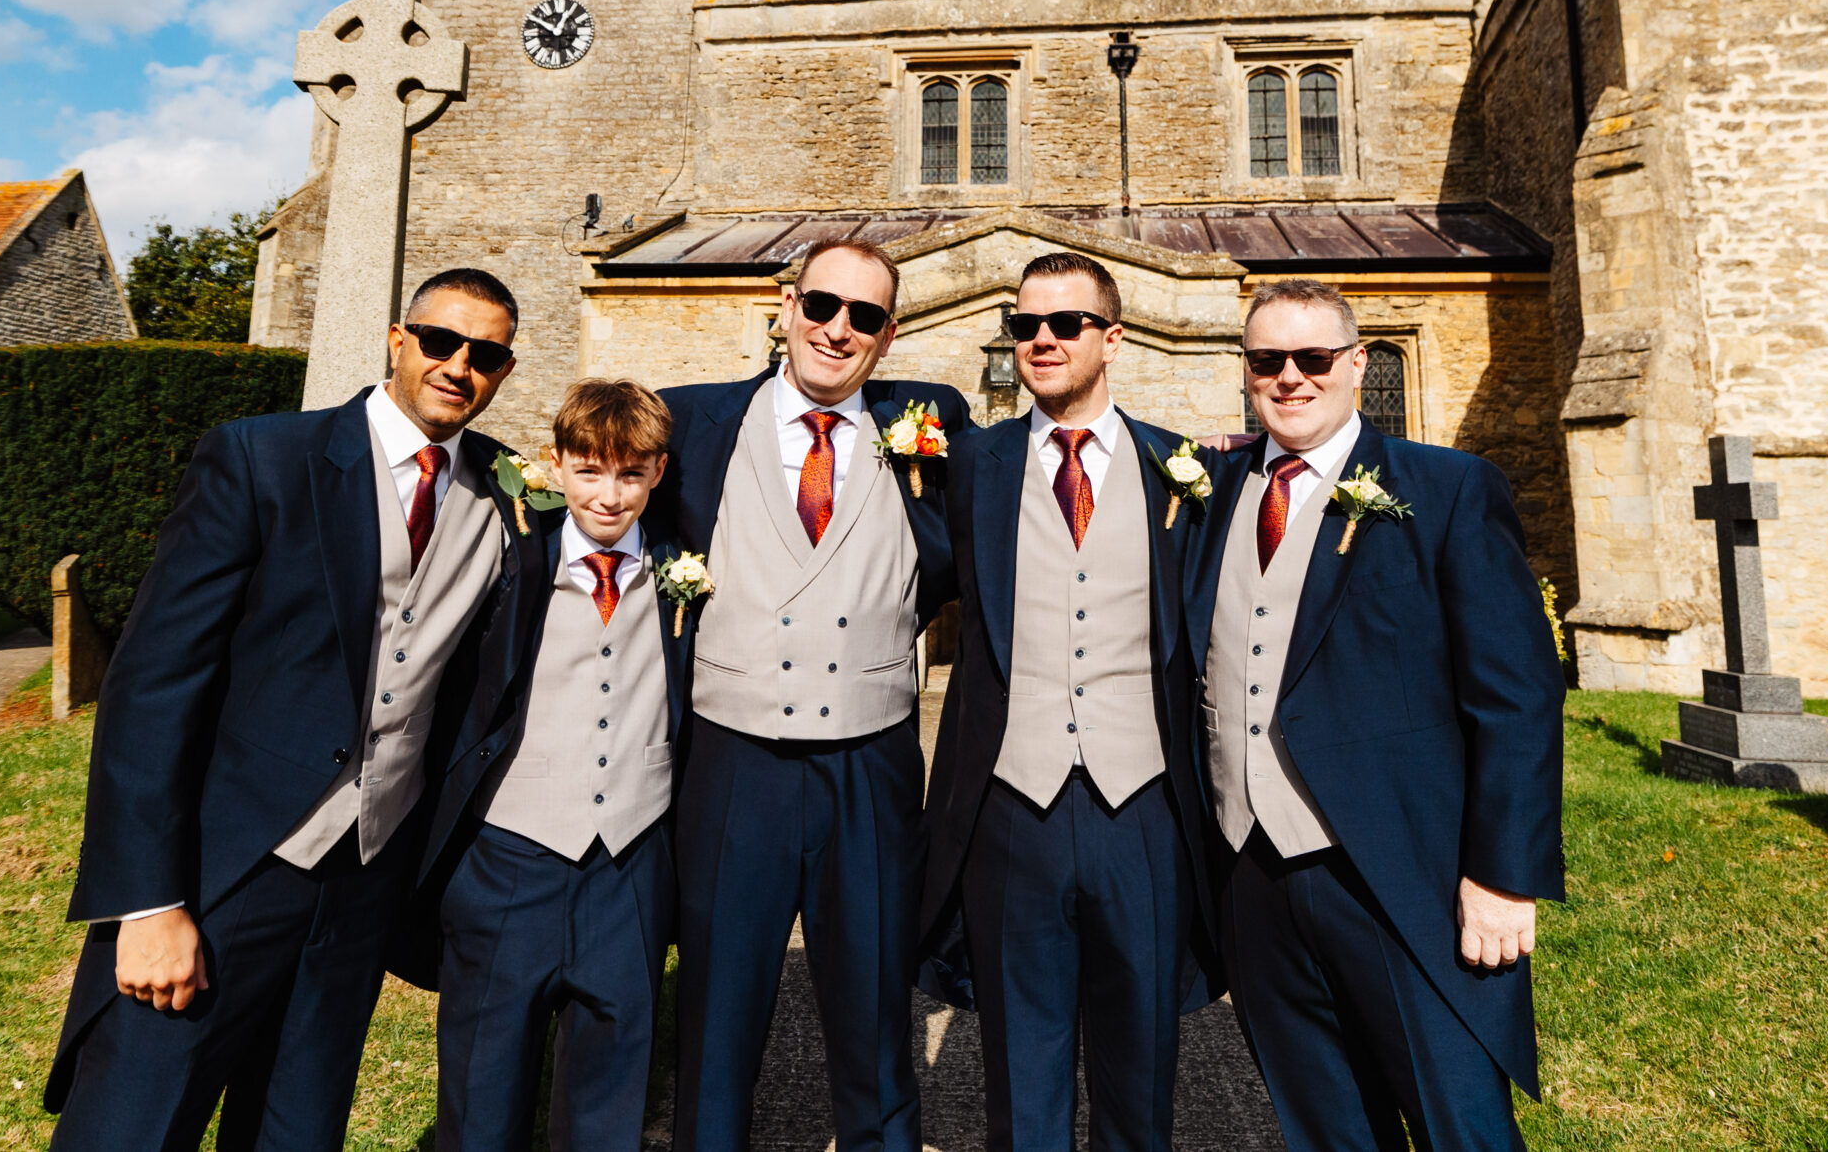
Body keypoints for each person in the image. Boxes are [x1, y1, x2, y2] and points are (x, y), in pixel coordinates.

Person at [43, 269, 529, 1152]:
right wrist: (148, 902)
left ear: (503, 370)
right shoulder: (263, 458)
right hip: (228, 870)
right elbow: (152, 685)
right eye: (440, 340)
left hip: (365, 879)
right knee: (134, 1125)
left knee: (296, 1131)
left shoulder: (503, 498)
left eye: (486, 354)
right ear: (396, 338)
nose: (460, 364)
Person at [1188, 278, 1563, 1152]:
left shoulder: (1448, 489)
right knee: (1326, 1128)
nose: (1290, 377)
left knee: (1458, 1127)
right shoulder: (1209, 493)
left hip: (1404, 878)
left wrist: (1503, 875)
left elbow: (1517, 694)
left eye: (1313, 357)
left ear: (1357, 364)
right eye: (1267, 360)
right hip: (1254, 877)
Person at [651, 234, 969, 1152]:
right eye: (822, 306)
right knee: (718, 1015)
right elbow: (592, 493)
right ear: (786, 306)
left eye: (863, 316)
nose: (837, 330)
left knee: (873, 1016)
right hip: (730, 763)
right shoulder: (691, 423)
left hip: (870, 767)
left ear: (888, 334)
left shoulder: (931, 424)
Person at [920, 250, 1216, 1152]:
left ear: (1113, 337)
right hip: (1015, 804)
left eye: (1064, 324)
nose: (1040, 340)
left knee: (1141, 1068)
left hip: (1145, 807)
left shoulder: (1182, 468)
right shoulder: (972, 463)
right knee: (1022, 1068)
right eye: (1023, 325)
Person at [400, 378, 687, 1152]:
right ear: (555, 466)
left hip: (630, 862)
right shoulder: (508, 564)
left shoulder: (682, 571)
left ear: (657, 472)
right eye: (589, 470)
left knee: (609, 1095)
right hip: (507, 862)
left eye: (630, 473)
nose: (609, 493)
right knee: (483, 1093)